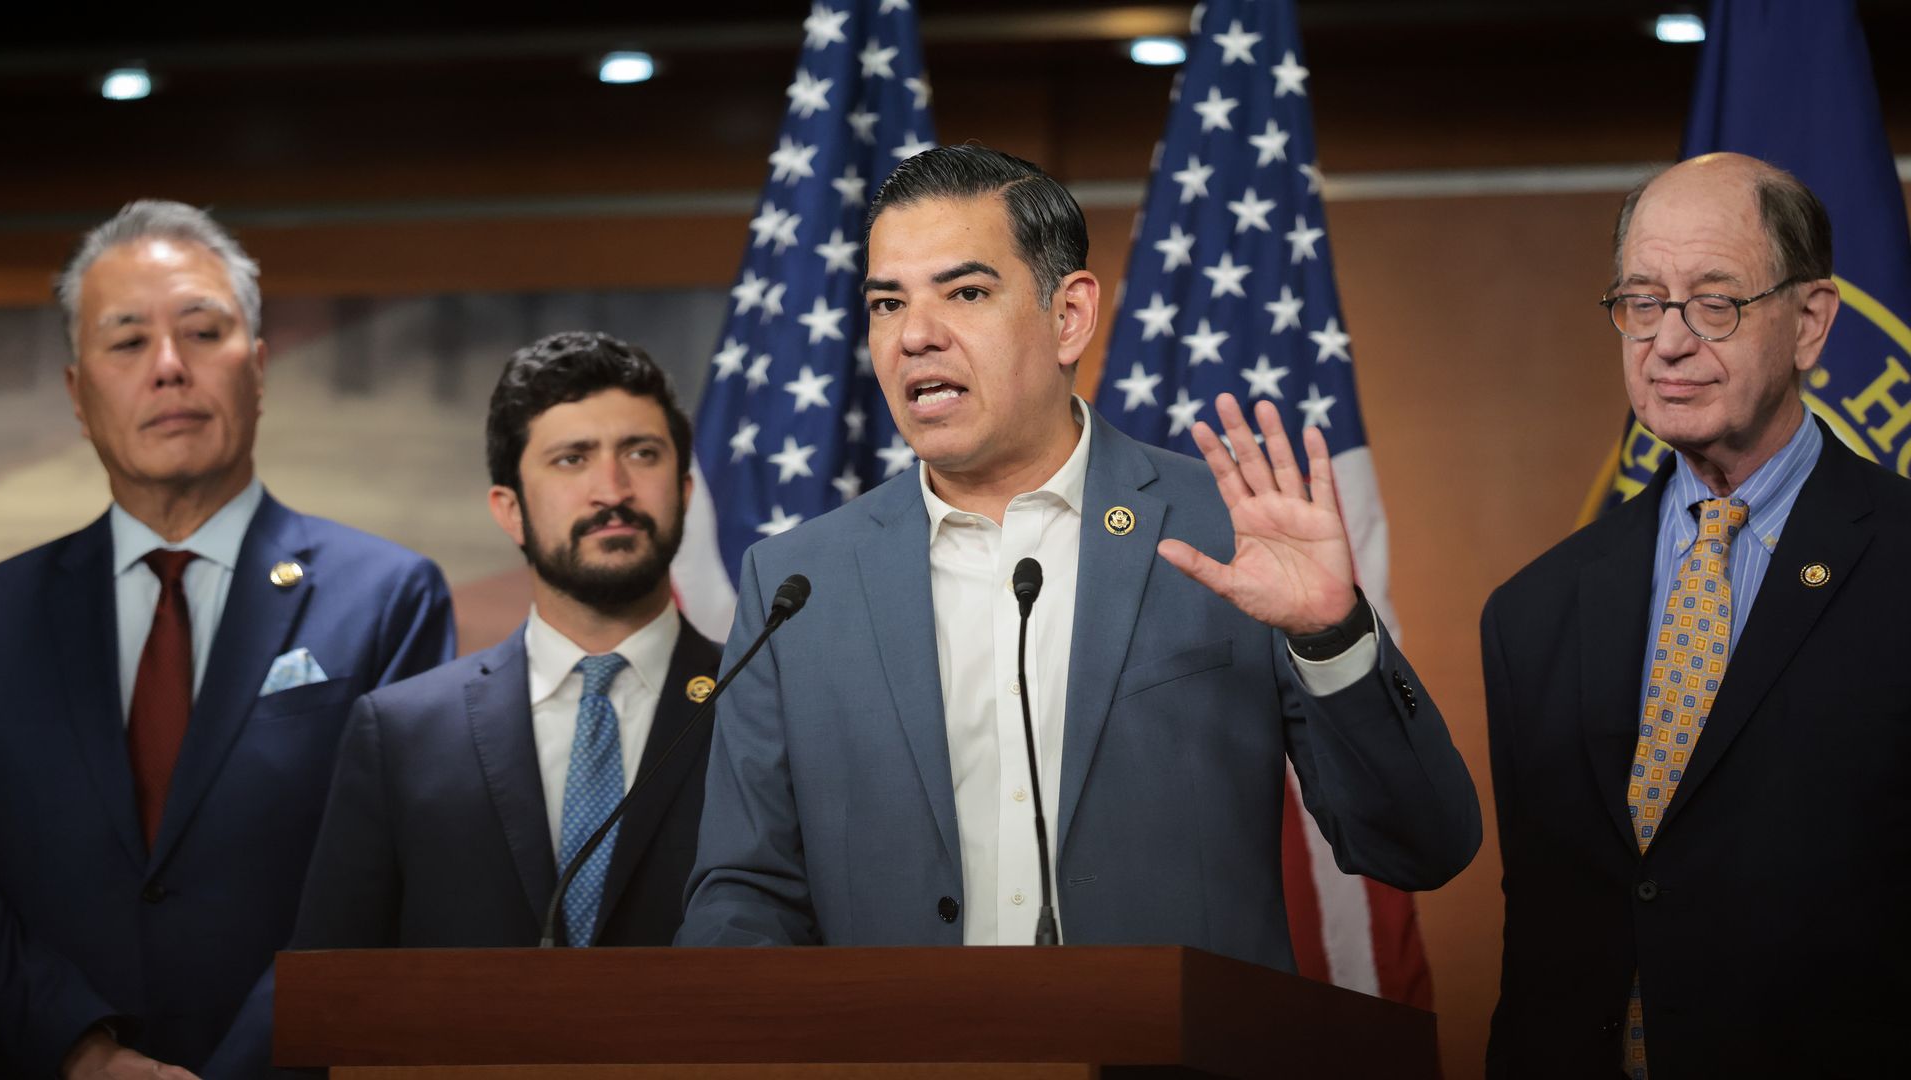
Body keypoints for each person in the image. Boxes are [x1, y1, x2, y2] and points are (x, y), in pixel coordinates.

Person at [678, 146, 1479, 963]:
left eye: (966, 292)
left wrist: (1332, 637)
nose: (915, 336)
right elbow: (746, 892)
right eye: (888, 303)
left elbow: (1422, 848)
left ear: (1068, 316)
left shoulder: (1225, 529)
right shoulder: (798, 584)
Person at [0, 200, 455, 1078]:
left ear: (260, 370)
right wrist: (81, 1053)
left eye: (203, 333)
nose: (169, 367)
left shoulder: (389, 599)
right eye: (128, 341)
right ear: (78, 395)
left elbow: (388, 878)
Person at [1483, 152, 1911, 1078]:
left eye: (1714, 303)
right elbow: (1544, 946)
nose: (1668, 342)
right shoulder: (1532, 613)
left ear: (1810, 322)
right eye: (1643, 302)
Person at [292, 332, 721, 956]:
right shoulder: (401, 735)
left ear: (684, 491)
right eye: (571, 459)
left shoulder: (764, 707)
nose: (612, 490)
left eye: (641, 453)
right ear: (509, 509)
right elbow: (334, 980)